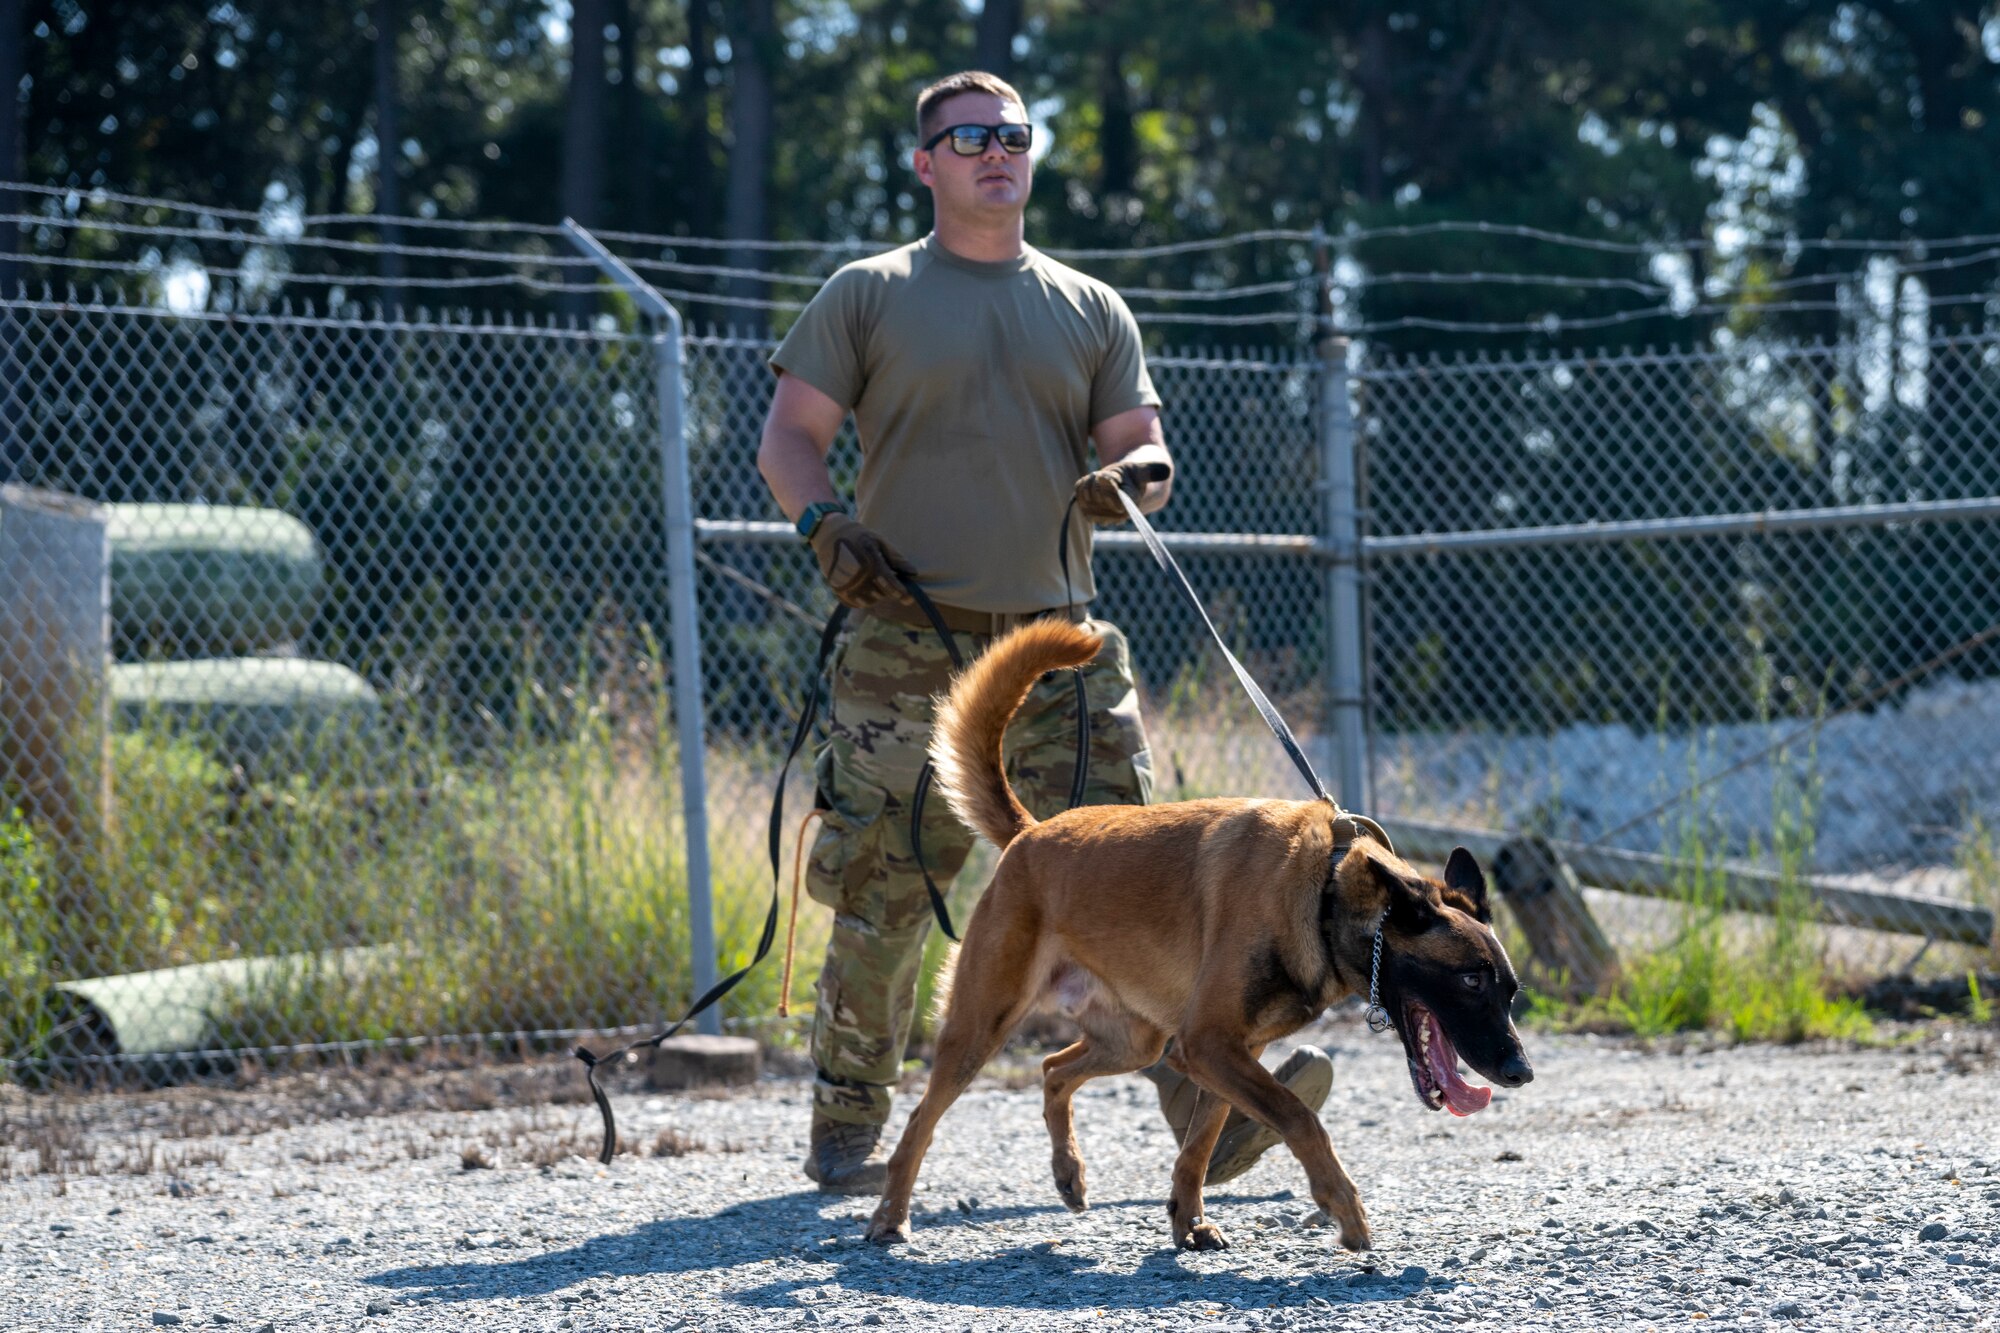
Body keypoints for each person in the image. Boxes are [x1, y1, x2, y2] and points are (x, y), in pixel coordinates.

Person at [756, 70, 1333, 1194]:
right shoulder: (866, 294)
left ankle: (1206, 1111)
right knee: (882, 878)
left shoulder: (1087, 306)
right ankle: (845, 1124)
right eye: (966, 138)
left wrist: (1133, 477)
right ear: (923, 164)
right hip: (901, 640)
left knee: (1143, 887)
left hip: (1057, 649)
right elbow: (789, 437)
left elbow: (1143, 447)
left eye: (1012, 135)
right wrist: (824, 523)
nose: (993, 152)